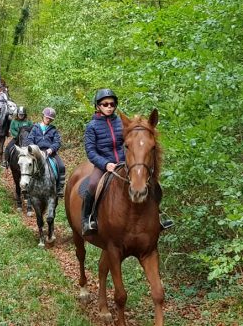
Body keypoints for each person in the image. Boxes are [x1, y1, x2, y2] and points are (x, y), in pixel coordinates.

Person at [82, 88, 173, 236]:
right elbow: (91, 151)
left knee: (154, 185)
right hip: (105, 164)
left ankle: (159, 215)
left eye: (112, 104)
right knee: (92, 184)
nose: (109, 107)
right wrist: (105, 164)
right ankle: (88, 218)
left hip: (125, 163)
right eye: (105, 104)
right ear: (98, 106)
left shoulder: (122, 123)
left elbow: (134, 143)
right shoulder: (92, 126)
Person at [23, 107, 65, 199]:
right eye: (47, 117)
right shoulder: (35, 128)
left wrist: (51, 149)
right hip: (36, 152)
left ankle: (59, 188)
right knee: (26, 164)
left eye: (50, 118)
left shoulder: (53, 130)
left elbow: (57, 142)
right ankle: (26, 186)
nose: (48, 119)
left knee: (61, 166)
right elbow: (29, 139)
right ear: (43, 116)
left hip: (49, 152)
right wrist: (35, 149)